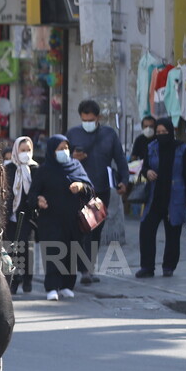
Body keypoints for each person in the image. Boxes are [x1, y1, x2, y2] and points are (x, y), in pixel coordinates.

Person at [66, 100, 128, 284]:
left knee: (95, 231)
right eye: (84, 119)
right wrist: (72, 157)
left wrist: (124, 181)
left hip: (100, 191)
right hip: (78, 190)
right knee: (80, 230)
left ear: (98, 118)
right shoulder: (73, 134)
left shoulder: (109, 135)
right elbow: (60, 157)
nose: (88, 122)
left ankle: (88, 268)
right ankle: (83, 269)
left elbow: (120, 158)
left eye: (91, 119)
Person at [29, 134, 95, 300]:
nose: (64, 151)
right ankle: (51, 287)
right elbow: (33, 193)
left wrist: (80, 186)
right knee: (53, 252)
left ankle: (67, 285)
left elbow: (90, 189)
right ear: (52, 151)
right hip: (50, 219)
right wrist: (39, 200)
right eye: (60, 149)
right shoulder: (44, 170)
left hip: (73, 219)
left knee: (72, 252)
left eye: (66, 148)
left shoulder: (76, 166)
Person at [136, 117, 186, 278]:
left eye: (164, 132)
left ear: (171, 132)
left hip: (175, 197)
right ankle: (147, 267)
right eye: (158, 132)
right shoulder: (151, 147)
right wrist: (147, 172)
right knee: (146, 230)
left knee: (173, 234)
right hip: (155, 197)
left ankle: (169, 267)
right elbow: (144, 166)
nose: (161, 135)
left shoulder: (182, 149)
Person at [5, 135, 39, 295]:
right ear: (16, 151)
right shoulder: (8, 168)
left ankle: (27, 279)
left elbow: (37, 190)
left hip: (28, 217)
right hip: (10, 217)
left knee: (27, 249)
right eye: (22, 150)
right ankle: (13, 280)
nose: (25, 153)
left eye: (28, 150)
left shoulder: (35, 169)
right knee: (12, 250)